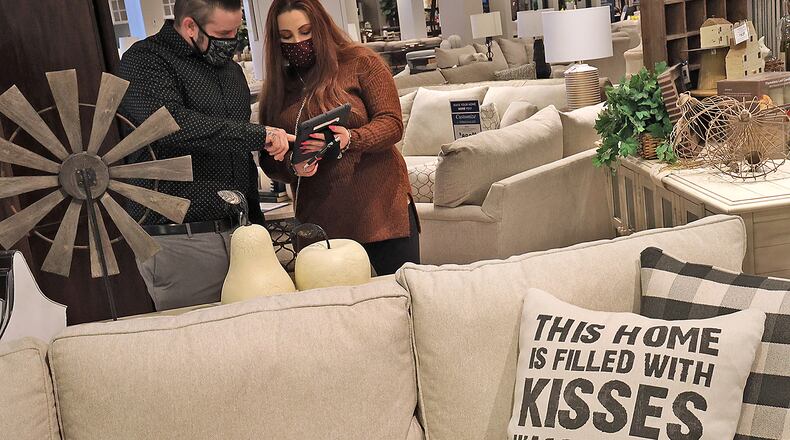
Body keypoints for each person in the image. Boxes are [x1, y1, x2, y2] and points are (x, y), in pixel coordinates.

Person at [118, 0, 290, 311]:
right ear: (189, 26)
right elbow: (169, 125)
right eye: (223, 33)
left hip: (243, 231)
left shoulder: (231, 71)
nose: (231, 41)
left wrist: (256, 219)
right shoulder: (144, 61)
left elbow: (235, 149)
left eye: (236, 31)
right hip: (181, 237)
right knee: (199, 344)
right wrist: (258, 134)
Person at [258, 0, 420, 276]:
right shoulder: (278, 88)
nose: (297, 42)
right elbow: (269, 158)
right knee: (334, 314)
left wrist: (351, 138)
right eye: (286, 37)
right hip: (320, 224)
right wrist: (292, 166)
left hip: (382, 212)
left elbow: (392, 123)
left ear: (320, 27)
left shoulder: (361, 62)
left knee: (403, 298)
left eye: (305, 31)